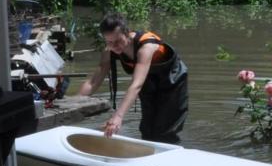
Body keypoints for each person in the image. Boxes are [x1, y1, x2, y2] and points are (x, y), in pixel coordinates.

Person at [76, 13, 188, 143]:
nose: (114, 46)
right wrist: (73, 105)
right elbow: (93, 81)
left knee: (165, 132)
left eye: (118, 41)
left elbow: (136, 85)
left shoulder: (146, 47)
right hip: (148, 82)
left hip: (172, 82)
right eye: (110, 42)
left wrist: (118, 116)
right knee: (147, 130)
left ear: (127, 33)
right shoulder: (110, 49)